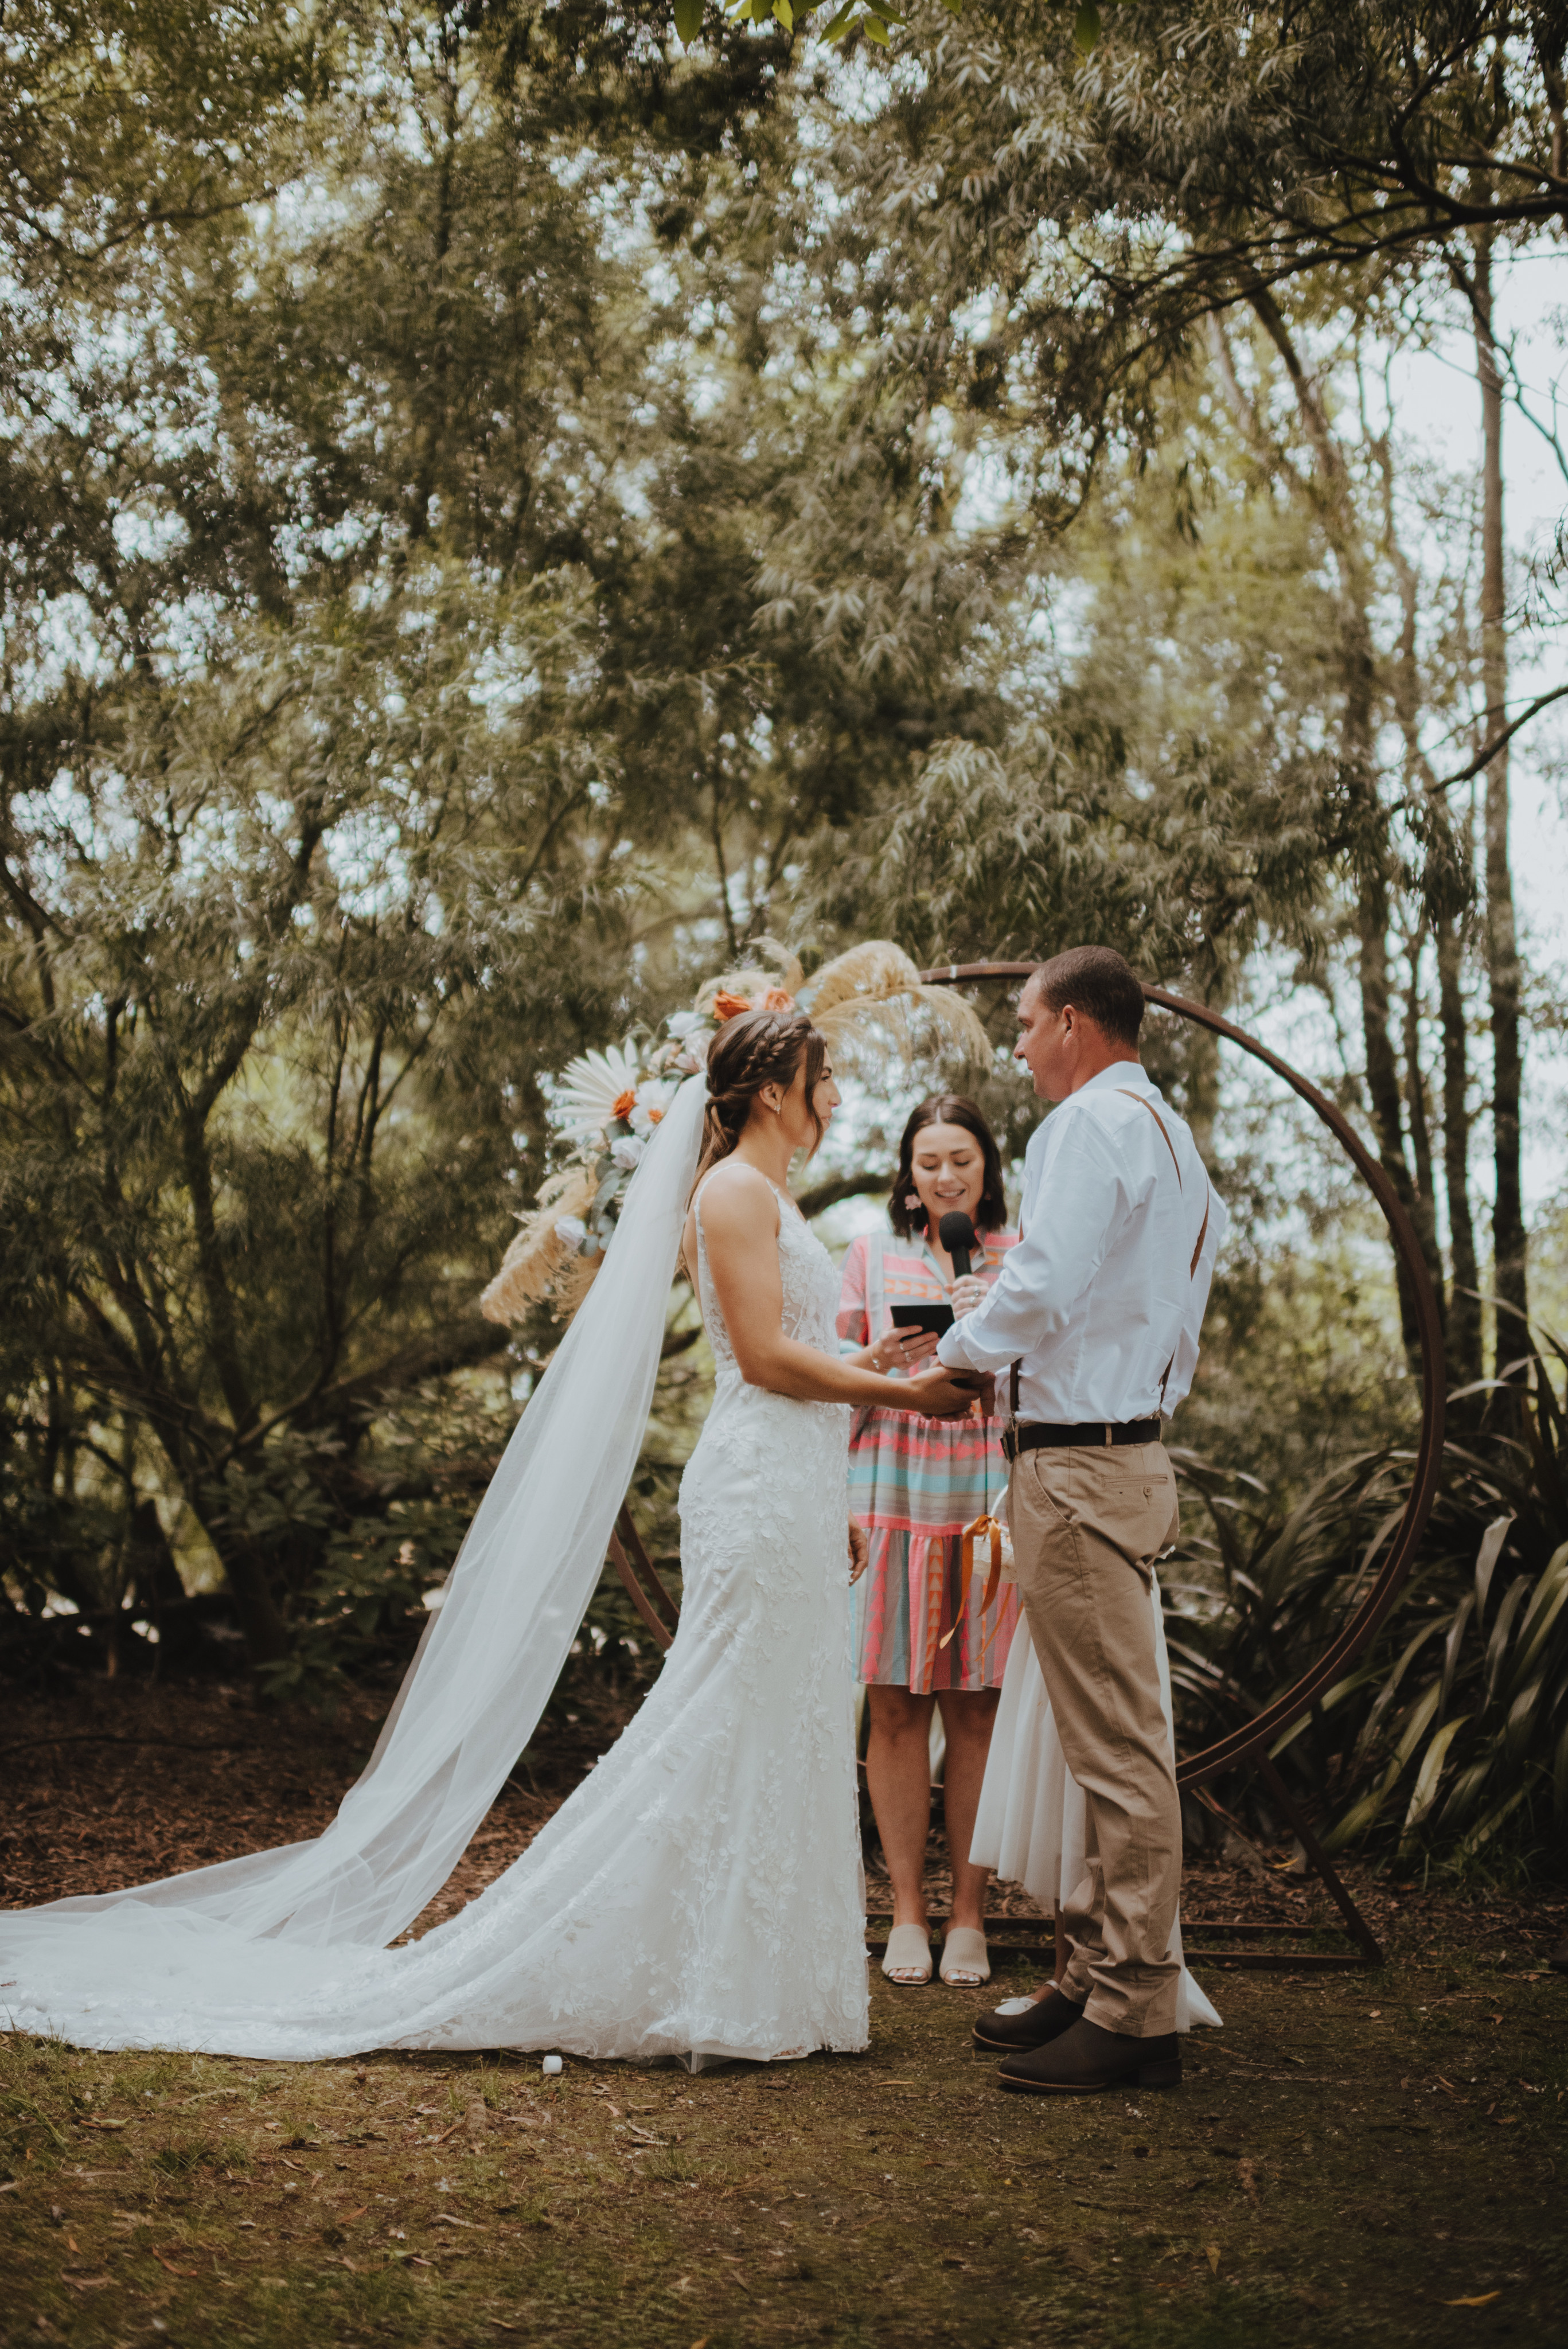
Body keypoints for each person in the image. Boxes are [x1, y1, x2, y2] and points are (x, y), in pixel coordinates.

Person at [0, 1008, 978, 2065]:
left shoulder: (771, 1194)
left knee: (777, 1720)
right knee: (725, 1713)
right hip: (752, 1486)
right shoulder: (734, 1190)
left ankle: (751, 1973)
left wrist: (871, 1372)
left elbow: (797, 1360)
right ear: (775, 1091)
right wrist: (917, 1399)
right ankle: (658, 1963)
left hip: (792, 1478)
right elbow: (760, 1362)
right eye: (819, 1075)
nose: (832, 1094)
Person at [937, 946, 1227, 2097]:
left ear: (1068, 1021)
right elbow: (1170, 1308)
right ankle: (1093, 1972)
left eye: (1020, 1023)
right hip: (1122, 1451)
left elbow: (1044, 1279)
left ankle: (1132, 2010)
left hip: (1076, 1469)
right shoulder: (1167, 1136)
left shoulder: (1084, 1127)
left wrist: (963, 1352)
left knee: (1113, 1749)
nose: (1015, 1044)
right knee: (1089, 1735)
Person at [836, 1095, 1022, 1988]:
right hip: (889, 1490)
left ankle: (970, 1918)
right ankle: (906, 1912)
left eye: (961, 1160)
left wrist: (996, 1342)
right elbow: (827, 1383)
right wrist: (880, 1353)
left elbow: (1054, 1381)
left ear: (987, 1167)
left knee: (979, 1708)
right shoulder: (867, 1258)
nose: (945, 1176)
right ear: (906, 1177)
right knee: (895, 1707)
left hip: (986, 1496)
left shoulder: (1021, 1255)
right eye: (927, 1163)